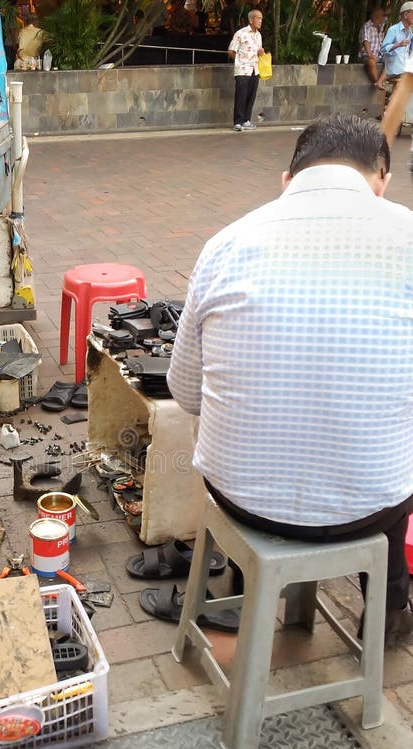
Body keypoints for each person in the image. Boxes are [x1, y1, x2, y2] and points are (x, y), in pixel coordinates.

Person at [167, 113, 413, 644]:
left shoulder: (226, 245)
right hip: (367, 511)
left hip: (237, 499)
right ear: (382, 182)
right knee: (394, 465)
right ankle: (388, 616)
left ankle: (241, 583)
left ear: (288, 179)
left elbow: (184, 393)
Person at [228, 8, 265, 132]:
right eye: (258, 18)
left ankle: (246, 120)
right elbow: (231, 51)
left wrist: (260, 52)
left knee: (251, 95)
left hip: (255, 69)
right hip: (243, 69)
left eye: (261, 19)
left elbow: (257, 51)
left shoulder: (258, 35)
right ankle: (238, 122)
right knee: (241, 95)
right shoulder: (241, 33)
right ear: (251, 19)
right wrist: (239, 61)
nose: (260, 21)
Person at [381, 1, 413, 80]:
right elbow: (383, 49)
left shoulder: (410, 32)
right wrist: (398, 44)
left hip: (405, 71)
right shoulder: (393, 30)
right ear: (405, 15)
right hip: (395, 72)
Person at [359, 7, 387, 89]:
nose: (384, 18)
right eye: (382, 16)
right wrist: (370, 54)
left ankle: (379, 82)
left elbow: (388, 15)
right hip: (366, 55)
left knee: (391, 60)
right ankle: (377, 81)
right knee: (371, 62)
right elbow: (366, 41)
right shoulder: (367, 26)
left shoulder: (380, 26)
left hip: (379, 55)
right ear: (376, 17)